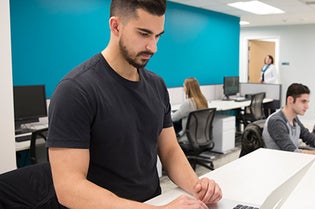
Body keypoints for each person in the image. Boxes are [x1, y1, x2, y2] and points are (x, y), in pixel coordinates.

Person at [46, 1, 222, 208]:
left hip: (153, 201)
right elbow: (69, 188)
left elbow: (170, 151)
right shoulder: (76, 90)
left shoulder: (157, 85)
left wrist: (198, 187)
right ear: (115, 26)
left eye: (158, 36)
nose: (153, 47)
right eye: (144, 34)